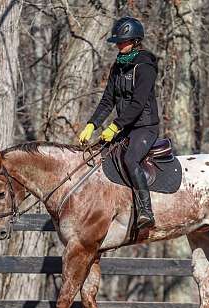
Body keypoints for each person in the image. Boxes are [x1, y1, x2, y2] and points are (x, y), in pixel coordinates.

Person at [79, 16, 159, 229]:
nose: (118, 45)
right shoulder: (118, 66)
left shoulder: (145, 66)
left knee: (131, 158)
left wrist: (115, 126)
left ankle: (145, 210)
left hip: (145, 127)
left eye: (122, 41)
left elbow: (138, 103)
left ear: (135, 41)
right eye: (117, 42)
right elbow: (107, 100)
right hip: (125, 127)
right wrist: (92, 124)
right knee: (98, 156)